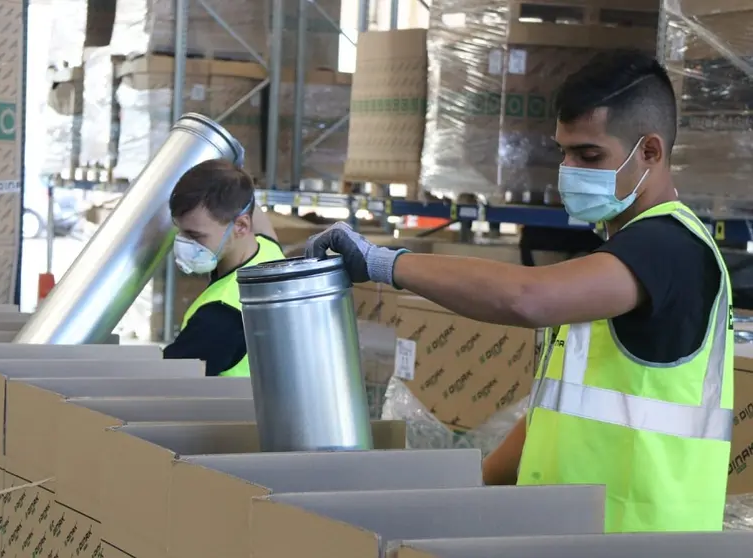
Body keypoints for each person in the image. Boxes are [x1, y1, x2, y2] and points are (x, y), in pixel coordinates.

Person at [305, 51, 733, 533]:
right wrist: (477, 492)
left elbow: (527, 299)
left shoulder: (670, 248)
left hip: (637, 540)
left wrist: (386, 263)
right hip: (577, 535)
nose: (569, 170)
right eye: (564, 153)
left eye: (589, 156)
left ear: (650, 152)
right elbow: (555, 416)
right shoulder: (622, 254)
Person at [163, 159, 285, 377]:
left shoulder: (221, 316)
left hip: (236, 412)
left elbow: (159, 387)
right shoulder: (268, 249)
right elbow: (251, 207)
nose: (183, 243)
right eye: (180, 231)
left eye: (195, 235)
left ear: (241, 226)